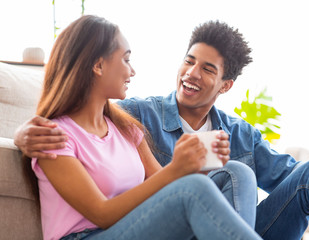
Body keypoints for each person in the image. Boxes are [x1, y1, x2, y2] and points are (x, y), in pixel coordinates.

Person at [15, 19, 309, 240]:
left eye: (207, 69)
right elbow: (78, 120)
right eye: (189, 60)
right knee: (211, 181)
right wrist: (22, 134)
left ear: (225, 85)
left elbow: (286, 174)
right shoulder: (138, 113)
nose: (191, 73)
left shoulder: (238, 133)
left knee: (298, 173)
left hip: (220, 227)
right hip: (159, 225)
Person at [23, 15, 262, 240]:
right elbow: (102, 214)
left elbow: (164, 185)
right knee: (193, 189)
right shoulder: (52, 138)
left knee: (236, 171)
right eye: (126, 60)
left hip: (132, 228)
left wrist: (195, 164)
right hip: (88, 235)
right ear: (98, 65)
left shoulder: (125, 127)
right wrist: (177, 169)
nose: (132, 71)